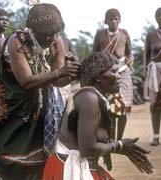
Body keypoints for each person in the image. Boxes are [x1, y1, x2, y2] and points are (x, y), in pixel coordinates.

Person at [0, 3, 80, 180]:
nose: (52, 38)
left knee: (39, 150)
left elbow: (57, 81)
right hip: (10, 100)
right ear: (32, 31)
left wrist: (72, 75)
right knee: (11, 149)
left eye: (55, 33)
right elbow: (26, 81)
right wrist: (59, 72)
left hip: (37, 101)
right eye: (47, 34)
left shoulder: (57, 41)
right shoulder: (16, 41)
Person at [43, 52, 153, 180]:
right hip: (68, 169)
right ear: (98, 77)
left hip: (79, 165)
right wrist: (119, 146)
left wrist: (120, 148)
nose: (119, 77)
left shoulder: (94, 97)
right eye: (114, 72)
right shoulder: (88, 98)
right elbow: (87, 149)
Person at [93, 8, 133, 140]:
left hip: (123, 71)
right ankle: (109, 139)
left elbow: (130, 53)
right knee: (108, 108)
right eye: (110, 19)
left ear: (120, 20)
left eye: (116, 18)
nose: (113, 21)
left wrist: (129, 61)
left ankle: (120, 140)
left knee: (124, 106)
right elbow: (94, 54)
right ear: (106, 21)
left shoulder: (124, 33)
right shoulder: (100, 34)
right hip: (105, 72)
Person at [144, 7, 161, 146]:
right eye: (159, 15)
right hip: (155, 72)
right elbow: (146, 55)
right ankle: (156, 136)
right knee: (155, 104)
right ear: (156, 18)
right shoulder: (151, 35)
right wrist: (145, 71)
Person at [60, 36, 79, 104]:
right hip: (50, 78)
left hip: (64, 78)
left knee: (65, 102)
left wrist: (72, 56)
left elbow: (77, 59)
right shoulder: (48, 39)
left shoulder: (66, 41)